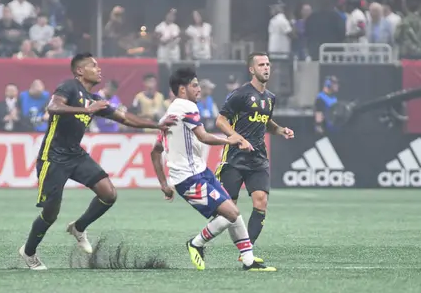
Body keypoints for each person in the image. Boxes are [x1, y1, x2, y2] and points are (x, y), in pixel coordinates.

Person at [19, 52, 177, 270]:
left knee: (108, 193)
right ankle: (28, 252)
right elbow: (53, 108)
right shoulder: (69, 87)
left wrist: (157, 124)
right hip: (53, 156)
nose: (99, 69)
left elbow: (126, 118)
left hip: (75, 154)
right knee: (50, 212)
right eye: (94, 65)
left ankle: (79, 227)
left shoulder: (94, 99)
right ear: (80, 71)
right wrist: (85, 110)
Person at [150, 67, 276, 272]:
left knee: (233, 212)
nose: (199, 89)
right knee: (230, 214)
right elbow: (204, 137)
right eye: (195, 85)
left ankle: (248, 260)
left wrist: (165, 184)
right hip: (188, 178)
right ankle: (196, 243)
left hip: (200, 172)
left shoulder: (170, 113)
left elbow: (155, 152)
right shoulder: (185, 107)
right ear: (182, 89)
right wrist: (231, 140)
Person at [215, 52, 295, 263]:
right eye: (261, 65)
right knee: (228, 211)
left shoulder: (270, 98)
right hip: (234, 156)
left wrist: (280, 130)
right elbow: (220, 121)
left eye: (268, 64)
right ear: (252, 69)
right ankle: (199, 241)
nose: (266, 68)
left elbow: (266, 122)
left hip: (258, 157)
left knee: (261, 202)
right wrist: (237, 138)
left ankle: (246, 252)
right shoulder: (240, 94)